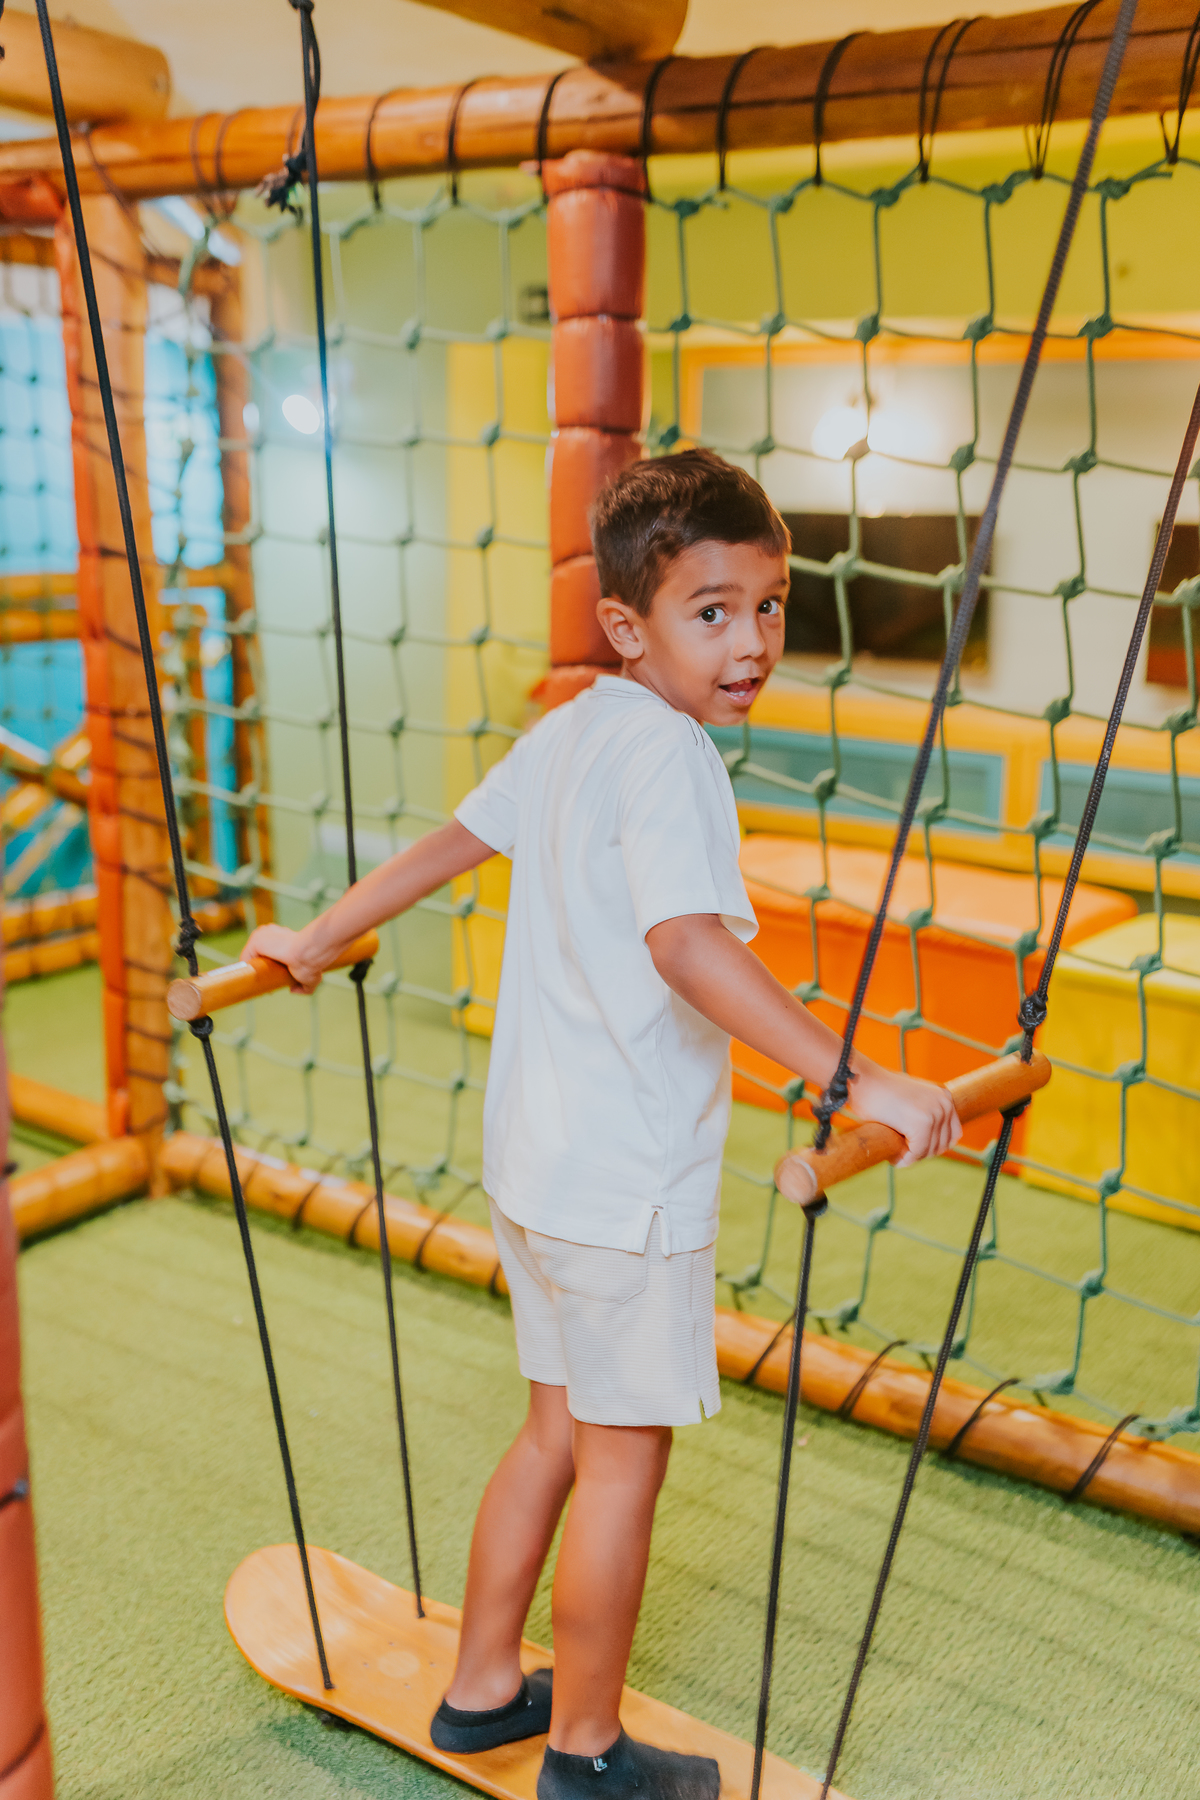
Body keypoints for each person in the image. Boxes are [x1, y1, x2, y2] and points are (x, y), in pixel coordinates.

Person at [242, 449, 960, 1800]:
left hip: (533, 1173)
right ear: (630, 623)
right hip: (623, 1190)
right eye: (712, 611)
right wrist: (852, 1078)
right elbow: (690, 945)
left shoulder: (574, 724)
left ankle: (478, 1692)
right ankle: (583, 1754)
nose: (751, 643)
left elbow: (450, 841)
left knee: (554, 1436)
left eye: (770, 605)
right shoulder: (673, 760)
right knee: (623, 1465)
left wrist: (318, 935)